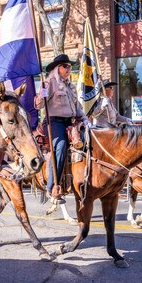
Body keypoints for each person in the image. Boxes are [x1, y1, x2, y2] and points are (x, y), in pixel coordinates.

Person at [35, 54, 91, 205]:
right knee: (59, 147)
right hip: (54, 122)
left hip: (70, 122)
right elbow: (38, 105)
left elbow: (77, 106)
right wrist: (42, 95)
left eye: (69, 66)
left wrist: (85, 118)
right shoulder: (49, 82)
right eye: (65, 66)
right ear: (57, 68)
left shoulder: (70, 86)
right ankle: (52, 187)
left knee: (89, 141)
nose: (68, 69)